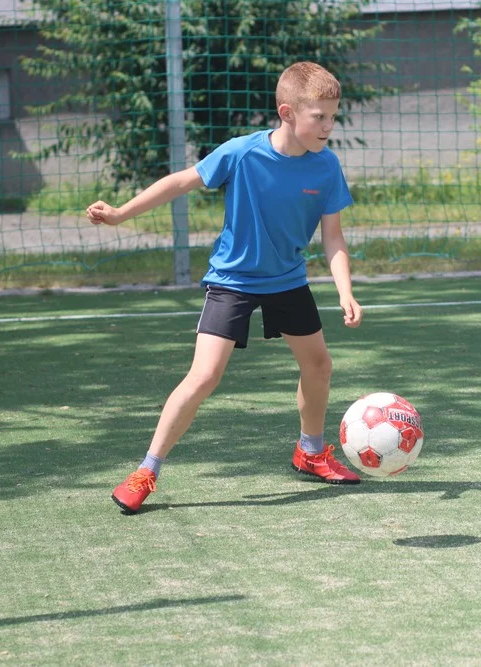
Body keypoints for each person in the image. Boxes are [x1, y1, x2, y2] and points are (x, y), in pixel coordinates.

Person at [86, 61, 364, 512]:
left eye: (333, 117)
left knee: (319, 366)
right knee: (204, 375)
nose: (329, 126)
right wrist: (119, 214)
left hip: (288, 281)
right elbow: (180, 181)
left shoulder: (326, 167)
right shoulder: (242, 152)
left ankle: (310, 452)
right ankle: (146, 470)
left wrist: (345, 291)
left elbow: (333, 237)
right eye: (320, 116)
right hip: (232, 281)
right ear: (288, 112)